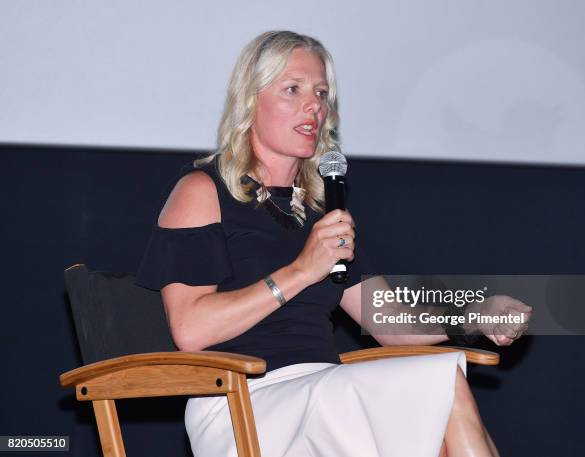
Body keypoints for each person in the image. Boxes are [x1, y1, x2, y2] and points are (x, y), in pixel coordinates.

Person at [136, 30, 531, 457]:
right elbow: (191, 331)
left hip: (323, 393)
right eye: (293, 89)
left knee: (434, 397)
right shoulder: (202, 191)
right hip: (243, 402)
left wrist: (473, 314)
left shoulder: (322, 212)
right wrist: (300, 271)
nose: (314, 106)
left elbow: (389, 323)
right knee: (438, 385)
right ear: (251, 101)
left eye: (322, 94)